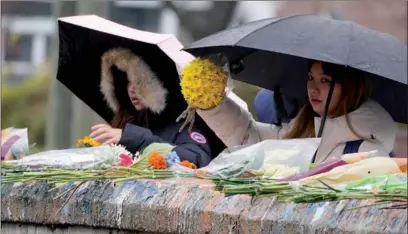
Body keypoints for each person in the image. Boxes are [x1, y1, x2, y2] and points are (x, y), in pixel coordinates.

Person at [198, 60, 396, 163]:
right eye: (310, 77)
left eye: (325, 80)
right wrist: (211, 102)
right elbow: (252, 138)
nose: (313, 88)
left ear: (350, 88)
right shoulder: (302, 128)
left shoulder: (368, 152)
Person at [90, 47, 225, 168]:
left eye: (139, 81)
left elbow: (197, 158)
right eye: (128, 82)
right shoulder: (128, 121)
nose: (131, 89)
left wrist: (137, 139)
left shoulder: (185, 124)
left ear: (160, 83)